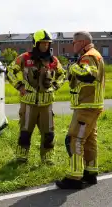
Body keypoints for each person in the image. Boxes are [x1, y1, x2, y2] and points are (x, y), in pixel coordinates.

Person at [6, 29, 65, 165]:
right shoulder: (24, 58)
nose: (45, 46)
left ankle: (47, 158)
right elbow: (10, 71)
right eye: (42, 43)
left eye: (48, 43)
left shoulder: (53, 60)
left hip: (47, 105)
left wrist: (55, 86)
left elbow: (63, 74)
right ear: (36, 44)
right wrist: (19, 86)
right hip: (28, 104)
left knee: (48, 133)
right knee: (25, 132)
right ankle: (22, 158)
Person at [56, 31, 105, 189]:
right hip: (92, 105)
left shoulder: (88, 56)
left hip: (86, 106)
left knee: (74, 139)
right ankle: (91, 173)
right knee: (90, 140)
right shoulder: (96, 55)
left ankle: (74, 177)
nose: (72, 45)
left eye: (74, 42)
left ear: (82, 42)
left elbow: (88, 74)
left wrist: (73, 68)